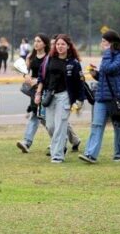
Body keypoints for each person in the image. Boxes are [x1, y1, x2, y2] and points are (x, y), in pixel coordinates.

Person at [79, 30, 120, 163]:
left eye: (104, 41)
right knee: (96, 124)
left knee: (119, 126)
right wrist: (95, 74)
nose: (101, 43)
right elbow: (105, 74)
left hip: (117, 96)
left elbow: (109, 69)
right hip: (102, 96)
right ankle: (90, 154)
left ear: (111, 42)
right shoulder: (107, 56)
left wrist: (108, 52)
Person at [33, 34, 85, 163]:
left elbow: (80, 83)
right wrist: (38, 94)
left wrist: (80, 100)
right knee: (50, 126)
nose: (60, 46)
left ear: (68, 46)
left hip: (65, 96)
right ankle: (61, 145)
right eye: (57, 44)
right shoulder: (49, 59)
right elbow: (41, 77)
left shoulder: (74, 63)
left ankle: (57, 155)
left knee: (60, 126)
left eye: (62, 44)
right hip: (50, 95)